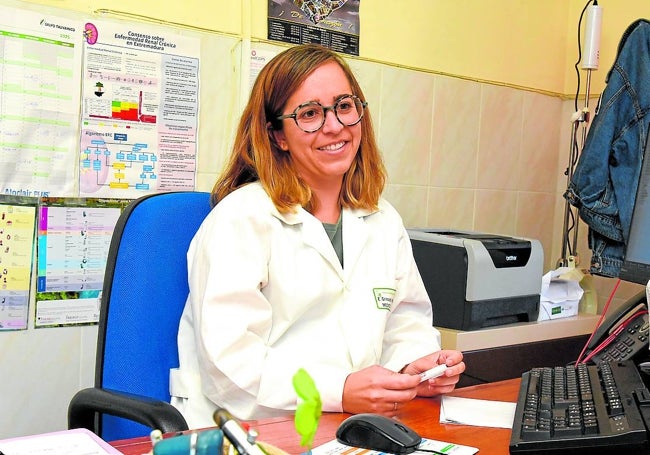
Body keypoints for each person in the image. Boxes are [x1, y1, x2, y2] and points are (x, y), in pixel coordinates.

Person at [170, 43, 465, 428]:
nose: (335, 125)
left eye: (344, 106)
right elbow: (230, 366)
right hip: (247, 430)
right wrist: (339, 390)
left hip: (350, 426)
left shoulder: (382, 219)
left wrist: (416, 366)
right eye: (309, 114)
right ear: (277, 135)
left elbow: (404, 322)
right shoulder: (240, 219)